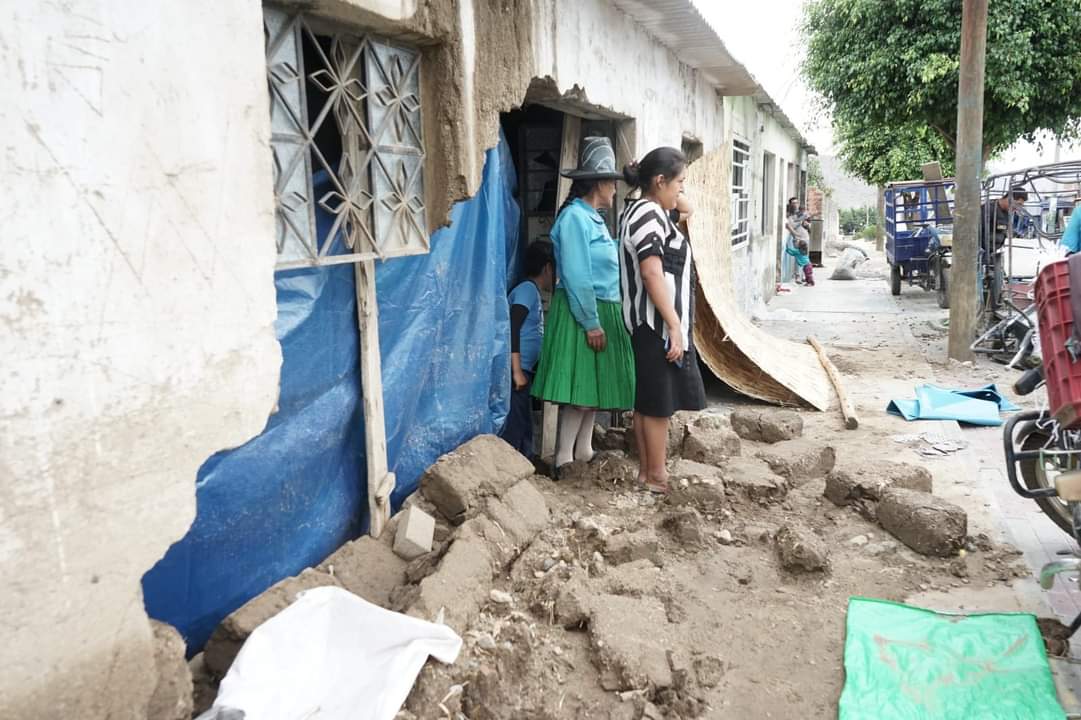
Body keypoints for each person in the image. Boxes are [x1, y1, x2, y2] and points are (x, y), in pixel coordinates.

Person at [531, 136, 635, 473]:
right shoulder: (575, 218)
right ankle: (564, 459)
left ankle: (584, 451)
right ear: (600, 183)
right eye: (613, 184)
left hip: (601, 307)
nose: (616, 191)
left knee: (593, 389)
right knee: (580, 391)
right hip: (584, 311)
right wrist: (591, 322)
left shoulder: (592, 219)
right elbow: (576, 275)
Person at [619, 147, 706, 494]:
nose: (681, 191)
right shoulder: (648, 216)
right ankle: (656, 476)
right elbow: (652, 272)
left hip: (650, 325)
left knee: (648, 402)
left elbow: (687, 208)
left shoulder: (649, 210)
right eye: (678, 183)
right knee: (657, 406)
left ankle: (647, 473)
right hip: (656, 325)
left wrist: (673, 193)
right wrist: (673, 325)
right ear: (659, 181)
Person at [500, 240, 554, 458]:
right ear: (547, 268)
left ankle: (526, 464)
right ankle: (511, 465)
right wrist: (516, 371)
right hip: (517, 372)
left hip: (524, 370)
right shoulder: (527, 290)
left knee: (524, 423)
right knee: (516, 425)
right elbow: (513, 326)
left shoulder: (530, 291)